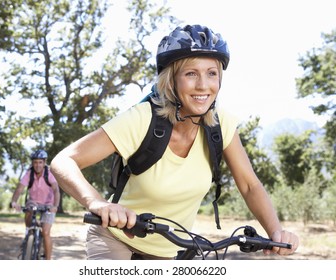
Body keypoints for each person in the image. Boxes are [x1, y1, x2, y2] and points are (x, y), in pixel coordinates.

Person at [50, 24, 299, 260]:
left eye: (211, 73)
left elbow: (249, 185)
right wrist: (98, 203)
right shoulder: (142, 119)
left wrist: (275, 231)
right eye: (191, 73)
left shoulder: (220, 125)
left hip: (167, 251)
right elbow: (64, 161)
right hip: (116, 239)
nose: (203, 85)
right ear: (171, 80)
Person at [11, 149, 60, 260]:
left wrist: (55, 206)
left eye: (40, 162)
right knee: (29, 218)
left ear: (44, 162)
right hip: (33, 202)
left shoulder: (49, 173)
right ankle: (29, 238)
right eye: (35, 162)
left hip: (49, 205)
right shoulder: (29, 173)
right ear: (32, 163)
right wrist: (14, 202)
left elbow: (56, 190)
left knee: (46, 232)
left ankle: (47, 260)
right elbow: (19, 189)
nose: (37, 165)